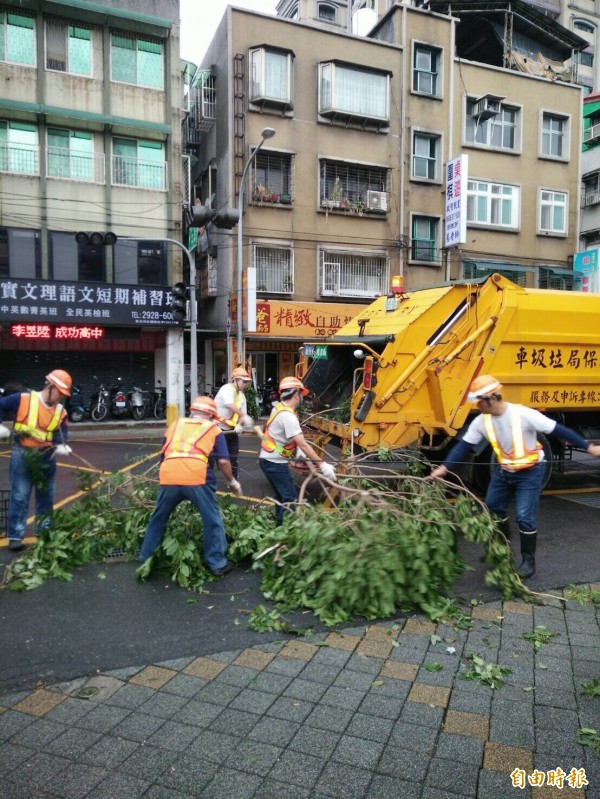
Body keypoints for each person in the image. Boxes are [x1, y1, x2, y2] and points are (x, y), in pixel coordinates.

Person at [430, 374, 600, 578]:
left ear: (491, 398)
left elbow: (559, 430)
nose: (476, 406)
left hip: (530, 473)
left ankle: (528, 562)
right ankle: (503, 551)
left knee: (524, 516)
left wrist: (588, 447)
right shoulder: (481, 422)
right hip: (504, 472)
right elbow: (463, 447)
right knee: (493, 508)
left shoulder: (523, 414)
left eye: (478, 401)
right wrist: (444, 467)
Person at [139, 396, 241, 576]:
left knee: (158, 518)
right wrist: (232, 481)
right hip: (197, 478)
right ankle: (217, 563)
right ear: (211, 415)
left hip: (169, 475)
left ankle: (146, 558)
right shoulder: (213, 429)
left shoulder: (174, 425)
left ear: (192, 411)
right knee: (212, 519)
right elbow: (224, 462)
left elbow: (162, 457)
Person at [0, 370, 73, 551]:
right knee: (20, 496)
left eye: (63, 396)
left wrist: (60, 444)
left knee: (46, 497)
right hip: (23, 454)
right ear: (49, 387)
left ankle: (44, 532)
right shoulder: (24, 399)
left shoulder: (60, 410)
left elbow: (61, 430)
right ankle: (15, 537)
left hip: (47, 456)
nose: (60, 398)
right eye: (60, 393)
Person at [259, 376, 337, 524]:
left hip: (269, 460)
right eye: (302, 394)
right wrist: (322, 465)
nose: (303, 397)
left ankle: (279, 527)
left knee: (283, 497)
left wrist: (296, 450)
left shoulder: (279, 408)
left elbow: (282, 435)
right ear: (296, 394)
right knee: (289, 499)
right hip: (274, 462)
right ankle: (284, 533)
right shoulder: (288, 416)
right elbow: (304, 444)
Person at [214, 367, 254, 479]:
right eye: (244, 381)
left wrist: (239, 424)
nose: (245, 384)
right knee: (214, 457)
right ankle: (207, 482)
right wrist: (244, 416)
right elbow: (229, 405)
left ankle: (232, 480)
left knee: (233, 456)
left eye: (247, 382)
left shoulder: (241, 396)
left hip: (232, 430)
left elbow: (242, 413)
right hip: (217, 429)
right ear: (235, 380)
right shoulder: (226, 389)